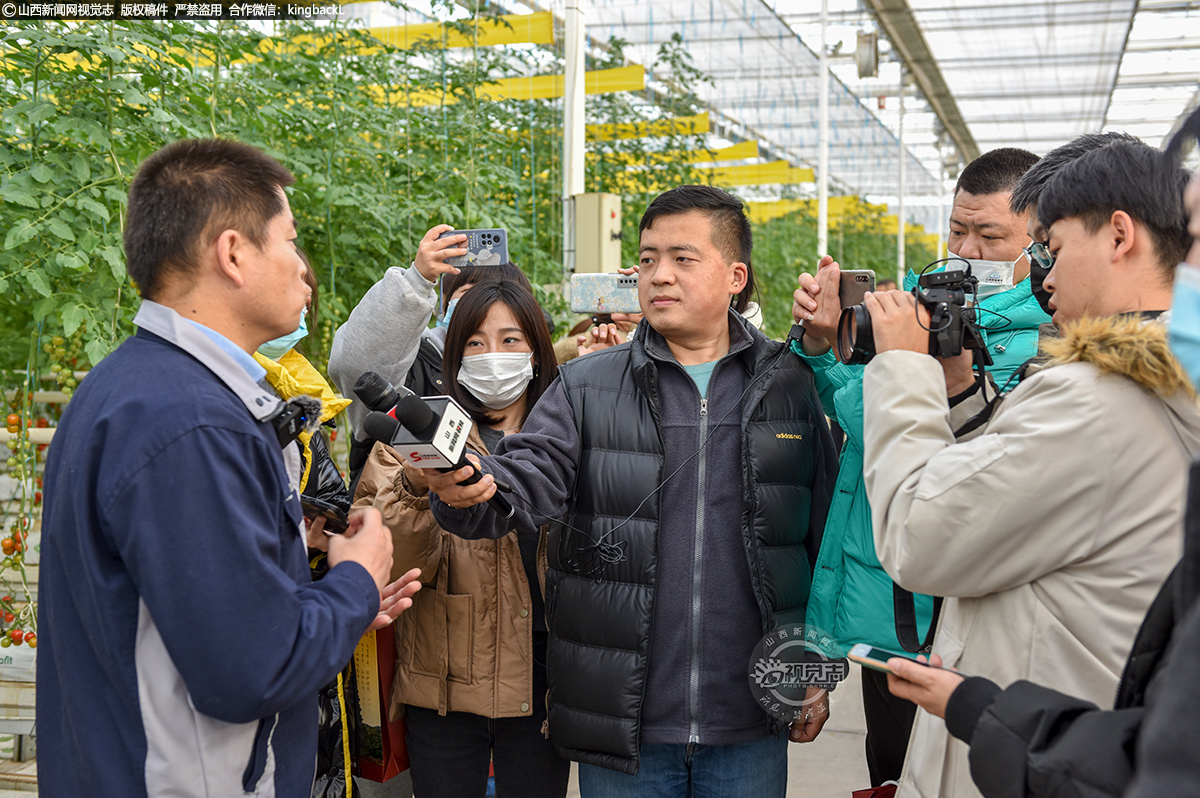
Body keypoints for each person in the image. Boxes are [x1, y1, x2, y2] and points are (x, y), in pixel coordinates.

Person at [420, 185, 837, 797]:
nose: (658, 275)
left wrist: (815, 667)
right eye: (647, 259)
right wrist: (470, 490)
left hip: (749, 719)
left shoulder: (789, 384)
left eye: (682, 258)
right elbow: (527, 474)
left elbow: (823, 541)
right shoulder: (586, 387)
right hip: (624, 725)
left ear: (734, 276)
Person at [37, 139, 421, 797]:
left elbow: (186, 611)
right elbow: (251, 670)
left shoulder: (130, 388)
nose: (305, 270)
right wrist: (357, 579)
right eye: (290, 242)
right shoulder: (190, 422)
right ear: (234, 253)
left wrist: (324, 588)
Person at [858, 138, 1200, 798]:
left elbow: (917, 537)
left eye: (1054, 247)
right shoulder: (1161, 382)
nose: (1043, 277)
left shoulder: (1095, 399)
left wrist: (902, 366)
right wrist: (959, 391)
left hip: (1027, 753)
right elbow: (1024, 496)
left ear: (1119, 235)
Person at [788, 147, 1044, 787]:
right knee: (893, 769)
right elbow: (856, 421)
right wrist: (826, 342)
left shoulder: (1049, 337)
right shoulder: (909, 308)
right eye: (958, 229)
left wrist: (878, 364)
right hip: (890, 612)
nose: (967, 250)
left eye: (990, 236)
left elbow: (903, 427)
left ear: (1041, 242)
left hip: (974, 619)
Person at [354, 279, 568, 798]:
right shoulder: (413, 438)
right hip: (441, 686)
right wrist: (414, 485)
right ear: (454, 355)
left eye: (511, 340)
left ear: (538, 352)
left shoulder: (568, 433)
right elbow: (377, 563)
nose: (492, 356)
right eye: (475, 343)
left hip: (544, 686)